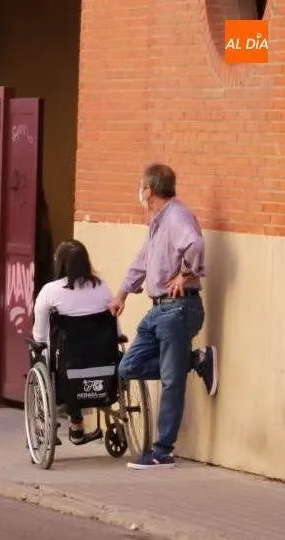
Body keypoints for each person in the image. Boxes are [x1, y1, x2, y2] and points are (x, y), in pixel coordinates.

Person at [108, 163, 218, 470]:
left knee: (171, 381)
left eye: (141, 187)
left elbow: (195, 244)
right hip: (157, 310)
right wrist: (122, 294)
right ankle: (195, 360)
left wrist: (186, 274)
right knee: (129, 366)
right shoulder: (157, 221)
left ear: (149, 190)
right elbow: (141, 262)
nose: (139, 193)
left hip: (178, 309)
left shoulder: (177, 216)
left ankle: (162, 451)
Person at [33, 240, 119, 445]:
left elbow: (39, 336)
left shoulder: (50, 291)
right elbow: (117, 330)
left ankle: (68, 423)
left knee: (39, 352)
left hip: (66, 371)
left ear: (60, 264)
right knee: (77, 361)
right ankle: (77, 426)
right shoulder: (103, 288)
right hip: (103, 366)